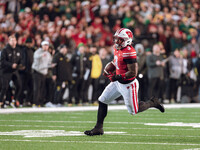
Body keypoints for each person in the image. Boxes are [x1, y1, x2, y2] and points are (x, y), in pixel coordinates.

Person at [84, 28, 165, 136]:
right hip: (118, 82)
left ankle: (152, 103)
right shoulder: (117, 48)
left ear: (127, 40)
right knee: (103, 100)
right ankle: (98, 128)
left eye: (120, 40)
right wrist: (108, 68)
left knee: (133, 110)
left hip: (128, 84)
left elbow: (132, 73)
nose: (116, 42)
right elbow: (116, 61)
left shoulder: (129, 52)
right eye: (116, 39)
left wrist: (116, 77)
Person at [0, 35, 24, 108]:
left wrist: (20, 65)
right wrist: (11, 65)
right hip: (6, 71)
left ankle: (14, 100)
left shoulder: (18, 50)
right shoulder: (5, 50)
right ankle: (1, 102)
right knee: (4, 87)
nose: (13, 42)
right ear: (9, 41)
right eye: (12, 40)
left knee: (19, 85)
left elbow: (20, 60)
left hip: (14, 71)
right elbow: (2, 61)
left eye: (14, 40)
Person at [32, 40, 54, 107]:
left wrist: (51, 65)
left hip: (44, 72)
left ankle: (40, 102)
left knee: (42, 88)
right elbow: (35, 57)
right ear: (42, 46)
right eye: (44, 45)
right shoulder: (38, 52)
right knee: (37, 88)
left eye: (47, 45)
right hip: (37, 71)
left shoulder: (48, 54)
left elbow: (49, 63)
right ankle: (35, 102)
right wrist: (41, 55)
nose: (46, 47)